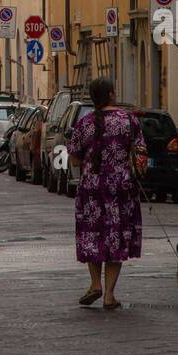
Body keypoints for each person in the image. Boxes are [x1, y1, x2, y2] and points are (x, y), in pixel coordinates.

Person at [68, 76, 147, 310]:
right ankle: (109, 294)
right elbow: (141, 152)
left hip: (91, 187)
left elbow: (73, 157)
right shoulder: (129, 121)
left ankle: (95, 284)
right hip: (120, 188)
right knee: (116, 235)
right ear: (112, 94)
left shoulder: (85, 123)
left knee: (92, 235)